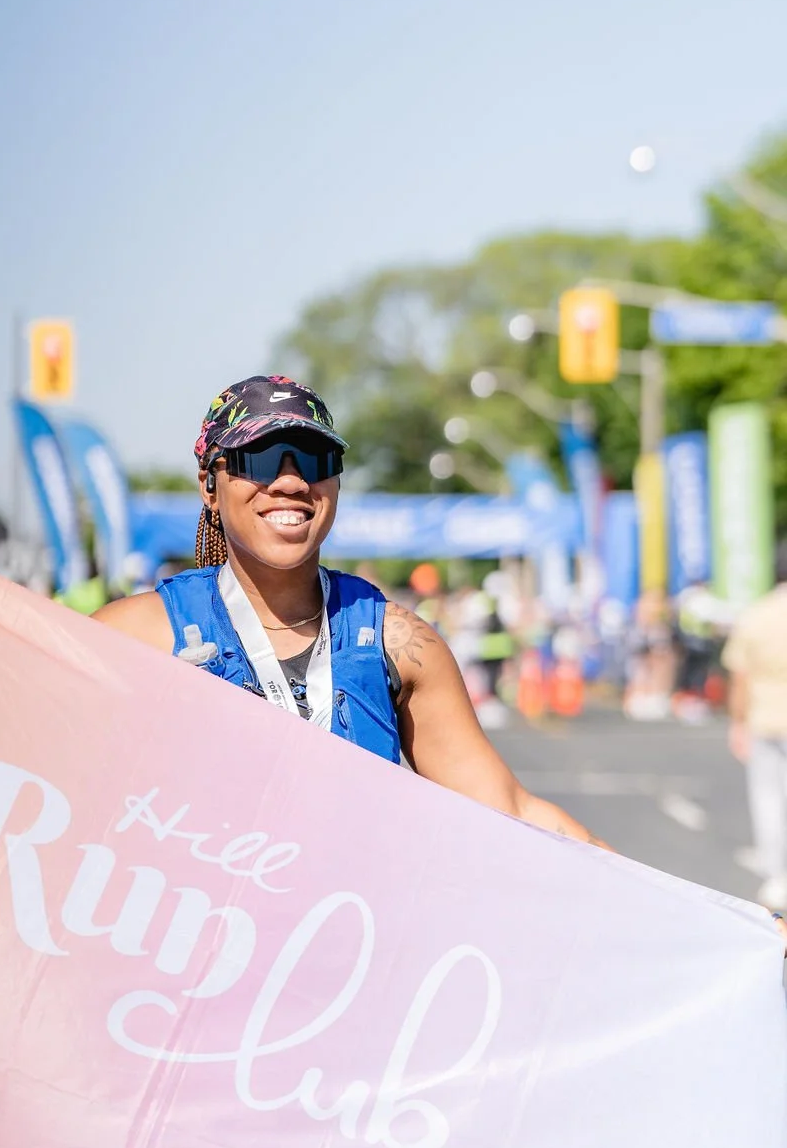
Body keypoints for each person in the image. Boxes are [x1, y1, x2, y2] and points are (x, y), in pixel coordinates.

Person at [94, 375, 606, 848]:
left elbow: (510, 809)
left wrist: (662, 909)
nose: (292, 483)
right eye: (262, 458)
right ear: (210, 484)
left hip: (348, 937)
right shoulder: (136, 636)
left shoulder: (400, 644)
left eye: (316, 459)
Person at [723, 540, 787, 909]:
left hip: (765, 717)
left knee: (768, 799)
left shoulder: (756, 615)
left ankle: (777, 875)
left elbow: (740, 677)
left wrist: (737, 723)